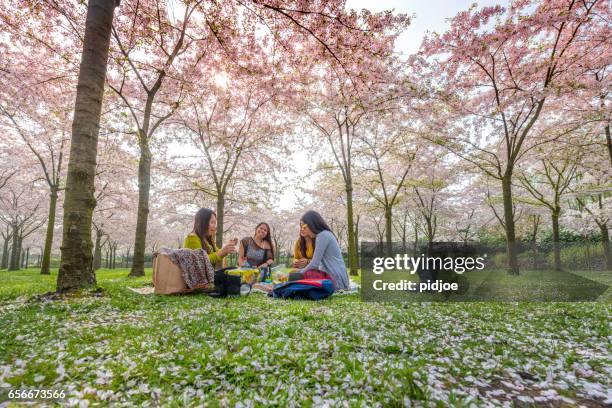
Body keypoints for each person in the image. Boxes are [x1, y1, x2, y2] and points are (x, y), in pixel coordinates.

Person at [296, 210, 350, 290]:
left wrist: (299, 273)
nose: (302, 230)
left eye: (304, 227)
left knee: (297, 277)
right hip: (338, 278)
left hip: (335, 280)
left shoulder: (322, 236)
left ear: (312, 224)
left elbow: (314, 264)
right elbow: (319, 264)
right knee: (301, 275)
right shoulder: (325, 234)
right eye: (301, 227)